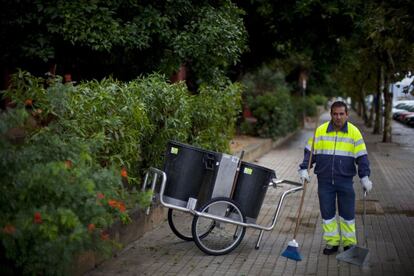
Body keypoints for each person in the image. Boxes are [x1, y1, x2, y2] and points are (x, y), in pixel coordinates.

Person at [298, 101, 372, 255]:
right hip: (325, 181)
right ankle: (332, 242)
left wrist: (364, 177)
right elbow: (310, 153)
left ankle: (349, 244)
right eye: (335, 114)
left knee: (347, 214)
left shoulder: (354, 132)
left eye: (341, 114)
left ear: (347, 115)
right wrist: (304, 168)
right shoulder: (320, 131)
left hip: (345, 181)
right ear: (331, 114)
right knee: (327, 213)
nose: (338, 117)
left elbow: (362, 157)